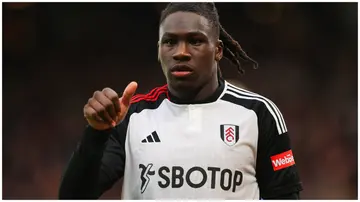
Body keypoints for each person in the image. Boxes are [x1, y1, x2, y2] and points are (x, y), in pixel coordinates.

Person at [58, 2, 303, 199]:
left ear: (218, 50)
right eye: (170, 42)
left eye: (195, 41)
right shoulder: (132, 116)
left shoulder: (258, 113)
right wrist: (96, 133)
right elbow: (73, 197)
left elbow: (285, 195)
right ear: (159, 49)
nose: (181, 52)